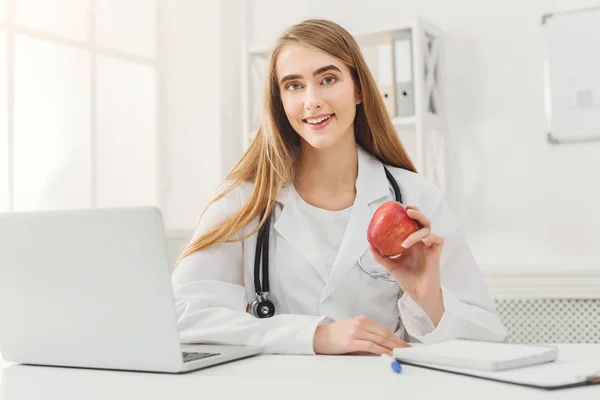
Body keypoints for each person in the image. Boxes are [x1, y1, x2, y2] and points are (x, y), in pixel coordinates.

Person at [171, 19, 507, 356]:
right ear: (279, 102)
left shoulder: (415, 198)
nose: (312, 100)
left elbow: (489, 343)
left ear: (359, 89)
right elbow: (180, 316)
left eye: (328, 79)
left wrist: (427, 297)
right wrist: (314, 336)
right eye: (293, 86)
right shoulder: (243, 199)